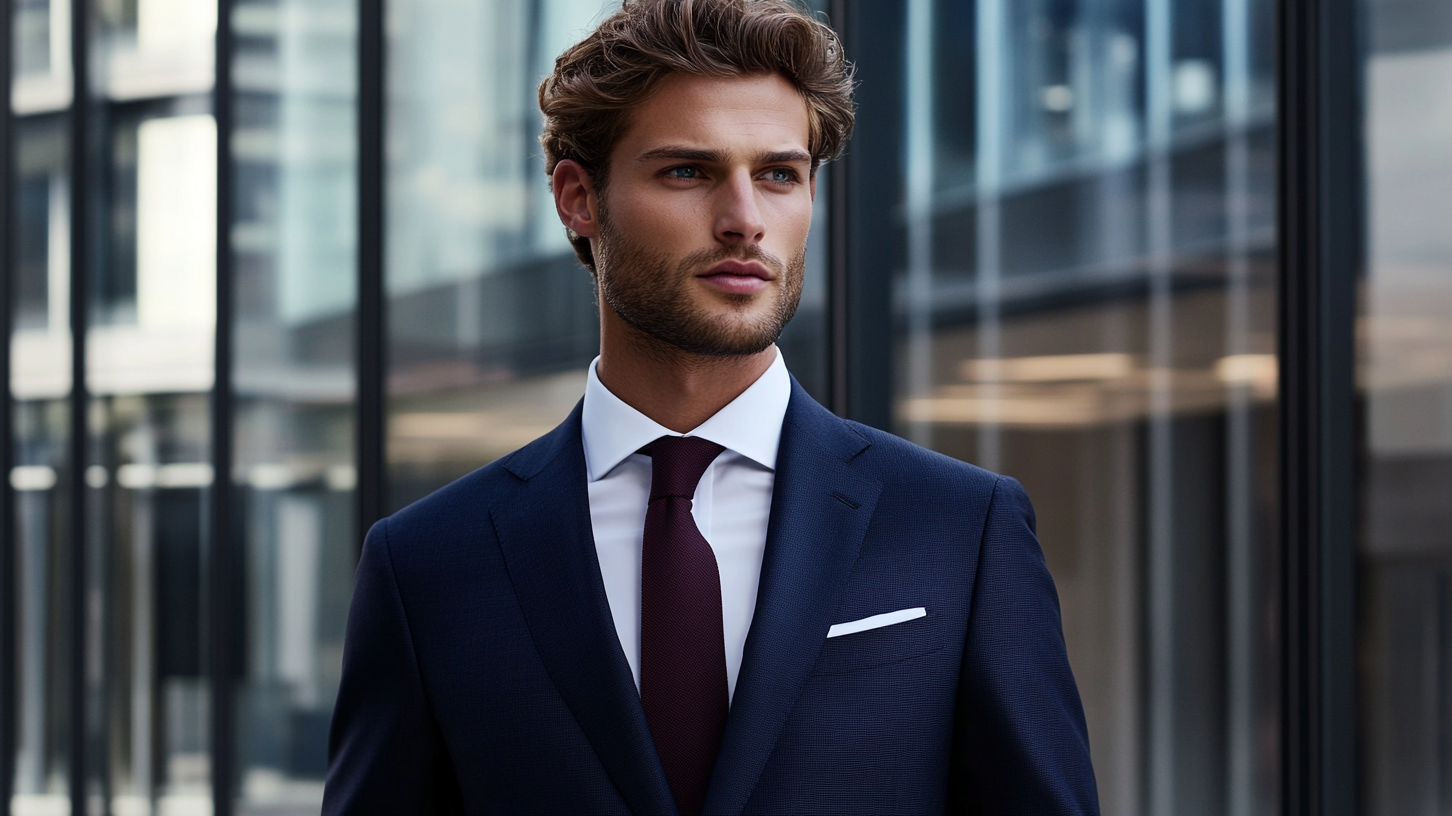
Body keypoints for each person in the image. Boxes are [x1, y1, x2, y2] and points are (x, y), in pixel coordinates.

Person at [322, 0, 1099, 813]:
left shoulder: (958, 528)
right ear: (578, 199)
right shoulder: (429, 566)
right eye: (687, 171)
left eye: (778, 174)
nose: (745, 221)